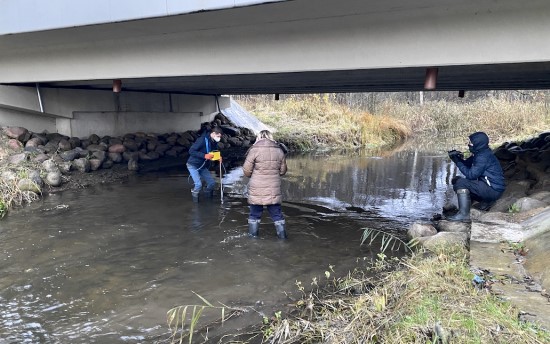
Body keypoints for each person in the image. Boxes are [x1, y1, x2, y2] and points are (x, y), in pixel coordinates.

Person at [447, 131, 506, 221]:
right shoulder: (481, 153)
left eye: (471, 143)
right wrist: (456, 158)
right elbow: (467, 164)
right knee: (457, 180)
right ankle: (486, 202)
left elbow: (471, 175)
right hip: (492, 187)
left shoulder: (483, 157)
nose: (469, 145)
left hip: (493, 190)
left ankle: (464, 214)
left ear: (478, 144)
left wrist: (458, 162)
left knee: (460, 183)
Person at [242, 130, 288, 239]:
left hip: (256, 188)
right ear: (270, 137)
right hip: (273, 188)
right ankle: (283, 239)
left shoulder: (254, 150)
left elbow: (246, 171)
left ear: (259, 137)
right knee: (277, 214)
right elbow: (283, 171)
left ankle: (253, 239)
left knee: (254, 214)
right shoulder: (279, 151)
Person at [186, 126, 223, 203]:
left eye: (220, 136)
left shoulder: (214, 142)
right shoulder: (202, 140)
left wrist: (218, 157)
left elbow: (213, 152)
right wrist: (204, 156)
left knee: (212, 183)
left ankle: (207, 197)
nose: (219, 138)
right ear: (213, 134)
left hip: (203, 166)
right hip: (193, 165)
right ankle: (195, 201)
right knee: (198, 185)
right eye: (218, 136)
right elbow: (191, 151)